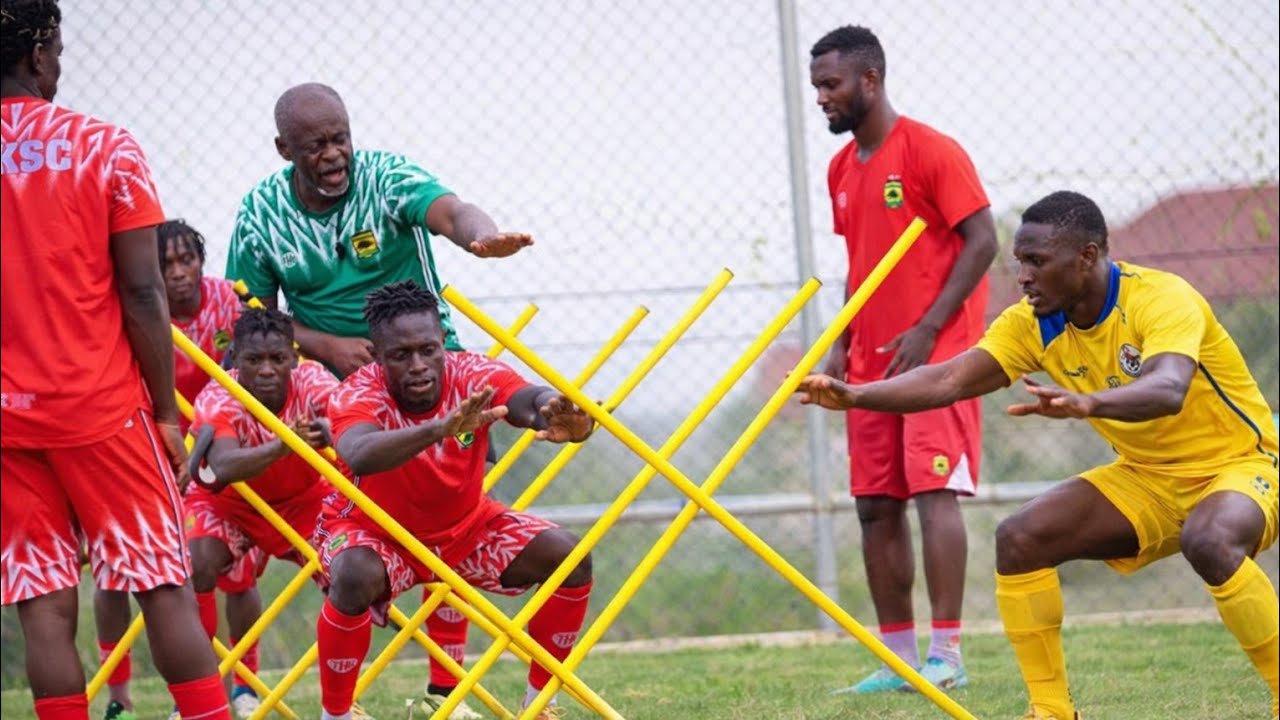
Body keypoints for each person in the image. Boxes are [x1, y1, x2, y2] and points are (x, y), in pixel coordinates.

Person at [795, 190, 1280, 719]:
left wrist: (1089, 402)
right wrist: (858, 395)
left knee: (1208, 540)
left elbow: (1168, 389)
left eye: (1036, 262)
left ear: (1088, 257)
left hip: (1243, 464)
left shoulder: (1162, 299)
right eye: (1019, 262)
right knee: (1021, 538)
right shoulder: (1032, 322)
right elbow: (950, 378)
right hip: (1148, 478)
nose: (1022, 276)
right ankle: (1050, 712)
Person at [225, 84, 532, 708]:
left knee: (459, 514)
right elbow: (248, 313)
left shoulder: (385, 176)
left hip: (434, 380)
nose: (334, 154)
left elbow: (450, 212)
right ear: (285, 149)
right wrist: (325, 345)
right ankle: (341, 695)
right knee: (361, 545)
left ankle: (447, 691)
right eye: (315, 146)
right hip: (348, 397)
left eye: (340, 138)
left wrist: (480, 237)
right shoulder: (260, 214)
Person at [0, 2, 231, 718]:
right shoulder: (106, 147)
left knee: (42, 604)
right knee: (163, 586)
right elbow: (143, 290)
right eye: (60, 50)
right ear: (38, 54)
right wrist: (166, 411)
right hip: (104, 412)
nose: (62, 65)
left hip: (8, 424)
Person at [808, 25, 999, 692]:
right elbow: (859, 265)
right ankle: (897, 660)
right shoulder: (841, 169)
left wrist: (930, 327)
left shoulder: (931, 151)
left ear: (870, 80)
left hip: (938, 355)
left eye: (830, 85)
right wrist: (839, 346)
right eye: (816, 88)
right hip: (868, 361)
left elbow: (983, 240)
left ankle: (947, 657)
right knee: (874, 503)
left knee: (932, 492)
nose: (822, 99)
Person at [315, 281, 595, 720]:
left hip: (466, 530)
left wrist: (555, 411)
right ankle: (335, 715)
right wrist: (436, 429)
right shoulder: (356, 392)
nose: (419, 366)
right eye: (400, 355)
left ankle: (539, 703)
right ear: (377, 355)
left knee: (570, 555)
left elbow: (524, 400)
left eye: (428, 350)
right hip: (376, 535)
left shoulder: (471, 374)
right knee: (352, 574)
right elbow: (357, 454)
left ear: (443, 342)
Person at [92, 218, 246, 720]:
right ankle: (119, 697)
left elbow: (263, 355)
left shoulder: (230, 301)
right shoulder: (130, 309)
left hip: (216, 450)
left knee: (234, 570)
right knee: (115, 574)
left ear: (202, 261)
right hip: (148, 449)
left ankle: (241, 687)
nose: (179, 273)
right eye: (166, 265)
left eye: (188, 260)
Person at [181, 308, 340, 718]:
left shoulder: (314, 380)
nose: (267, 370)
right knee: (197, 562)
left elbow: (351, 423)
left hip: (303, 501)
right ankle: (202, 699)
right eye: (254, 360)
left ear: (293, 356)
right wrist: (286, 443)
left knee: (347, 573)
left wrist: (331, 428)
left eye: (277, 359)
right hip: (229, 503)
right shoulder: (219, 394)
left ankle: (340, 704)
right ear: (235, 358)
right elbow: (227, 467)